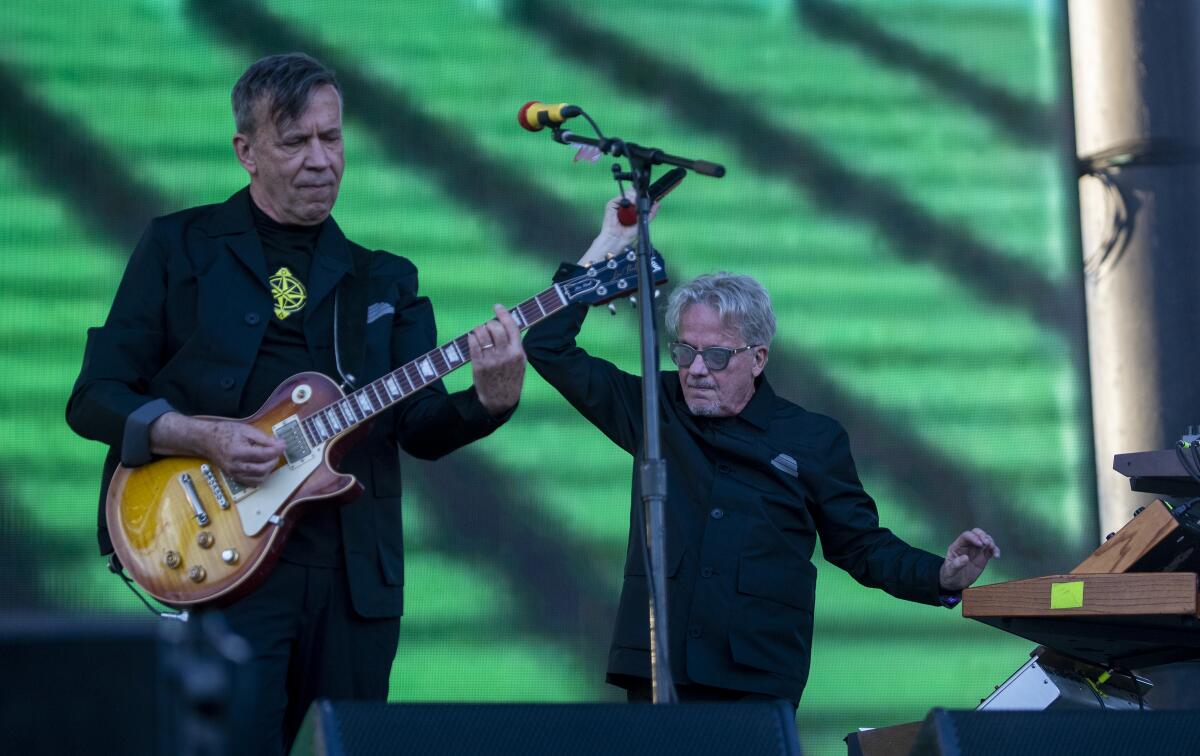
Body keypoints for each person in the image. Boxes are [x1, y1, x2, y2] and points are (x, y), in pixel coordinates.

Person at [65, 53, 525, 754]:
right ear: (246, 151)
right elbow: (95, 398)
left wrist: (489, 401)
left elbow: (420, 426)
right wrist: (201, 436)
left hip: (352, 580)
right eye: (295, 141)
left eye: (331, 138)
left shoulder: (385, 278)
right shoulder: (178, 248)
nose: (321, 160)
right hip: (224, 565)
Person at [523, 196, 1000, 706]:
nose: (697, 369)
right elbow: (547, 347)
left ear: (757, 358)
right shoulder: (651, 406)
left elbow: (861, 546)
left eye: (717, 355)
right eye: (685, 351)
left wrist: (941, 576)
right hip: (658, 671)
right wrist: (607, 246)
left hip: (754, 678)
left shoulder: (812, 438)